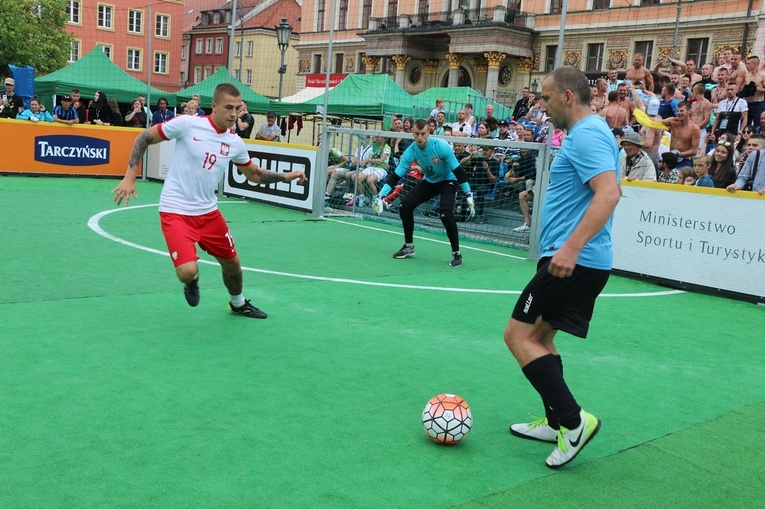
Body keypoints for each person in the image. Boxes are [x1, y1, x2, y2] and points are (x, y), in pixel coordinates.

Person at [505, 66, 621, 469]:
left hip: (575, 261)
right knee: (540, 336)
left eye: (547, 97)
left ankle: (574, 423)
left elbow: (609, 195)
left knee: (518, 336)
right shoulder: (586, 133)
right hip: (574, 259)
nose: (542, 104)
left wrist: (570, 249)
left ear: (568, 97)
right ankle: (556, 421)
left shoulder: (588, 134)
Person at [111, 83, 307, 318]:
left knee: (233, 264)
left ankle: (237, 303)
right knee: (186, 271)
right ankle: (191, 281)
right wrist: (130, 177)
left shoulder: (235, 143)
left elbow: (254, 175)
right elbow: (144, 137)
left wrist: (286, 176)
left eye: (238, 108)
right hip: (175, 211)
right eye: (228, 108)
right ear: (214, 106)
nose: (234, 114)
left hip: (209, 213)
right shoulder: (187, 124)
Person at [372, 118, 475, 267]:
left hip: (448, 181)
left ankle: (456, 253)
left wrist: (468, 195)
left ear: (429, 132)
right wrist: (381, 195)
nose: (420, 138)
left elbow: (459, 172)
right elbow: (396, 174)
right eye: (417, 134)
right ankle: (409, 246)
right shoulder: (412, 150)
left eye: (423, 134)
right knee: (405, 206)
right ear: (413, 133)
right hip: (430, 181)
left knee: (445, 213)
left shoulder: (441, 146)